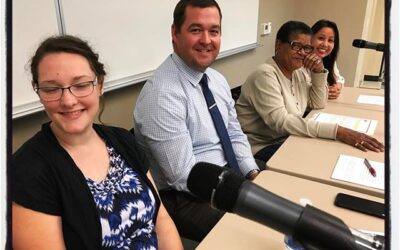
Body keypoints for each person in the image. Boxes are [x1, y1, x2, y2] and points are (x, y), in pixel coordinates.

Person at [12, 35, 183, 250]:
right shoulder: (28, 171)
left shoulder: (123, 141)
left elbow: (162, 222)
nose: (68, 100)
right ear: (38, 91)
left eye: (81, 85)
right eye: (51, 89)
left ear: (100, 84)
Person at [134, 0, 260, 242]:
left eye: (214, 31)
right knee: (254, 236)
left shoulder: (216, 79)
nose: (206, 40)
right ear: (175, 34)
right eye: (195, 30)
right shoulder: (162, 95)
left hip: (227, 175)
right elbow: (183, 176)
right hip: (187, 196)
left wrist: (252, 173)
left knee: (284, 197)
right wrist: (239, 191)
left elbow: (234, 134)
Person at [235, 21, 384, 163]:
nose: (302, 53)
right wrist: (338, 131)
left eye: (307, 48)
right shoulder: (265, 75)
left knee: (333, 151)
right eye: (296, 46)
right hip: (261, 145)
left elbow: (318, 103)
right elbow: (281, 122)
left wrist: (319, 71)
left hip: (290, 137)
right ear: (278, 45)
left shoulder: (297, 72)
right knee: (318, 159)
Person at [311, 19, 344, 99]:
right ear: (310, 38)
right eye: (321, 38)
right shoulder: (299, 61)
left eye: (330, 40)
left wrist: (337, 87)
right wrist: (324, 92)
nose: (325, 44)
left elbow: (340, 79)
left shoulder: (327, 59)